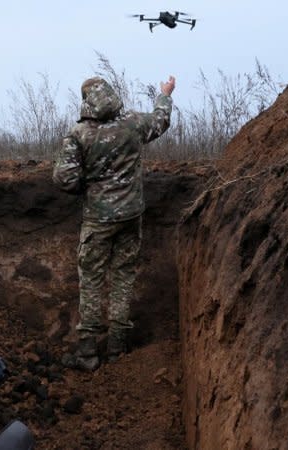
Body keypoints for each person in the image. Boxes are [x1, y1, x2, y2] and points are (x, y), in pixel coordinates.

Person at [53, 75, 175, 371]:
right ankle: (118, 347)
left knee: (92, 281)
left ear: (86, 100)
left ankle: (87, 353)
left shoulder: (80, 134)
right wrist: (165, 94)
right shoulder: (132, 122)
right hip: (132, 215)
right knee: (123, 277)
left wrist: (90, 185)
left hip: (98, 220)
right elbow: (161, 121)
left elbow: (63, 178)